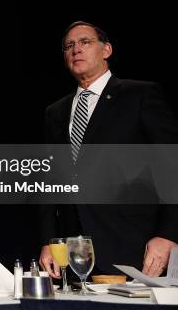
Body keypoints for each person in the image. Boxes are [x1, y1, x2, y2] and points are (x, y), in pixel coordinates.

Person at [39, 21, 178, 278]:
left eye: (85, 42)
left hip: (134, 248)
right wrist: (49, 241)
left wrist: (168, 234)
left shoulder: (140, 96)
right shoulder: (55, 111)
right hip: (73, 255)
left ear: (106, 50)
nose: (76, 49)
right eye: (69, 45)